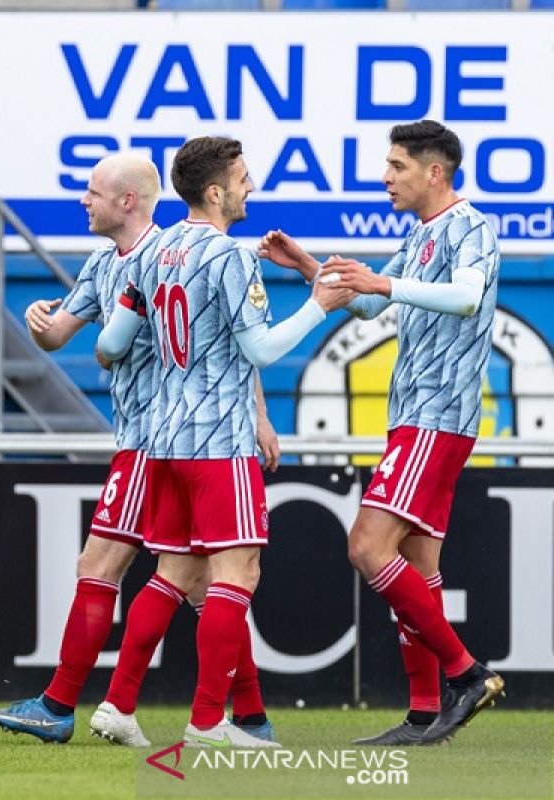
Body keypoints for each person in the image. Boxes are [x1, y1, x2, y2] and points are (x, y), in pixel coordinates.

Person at [0, 153, 279, 746]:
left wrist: (259, 414)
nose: (83, 201)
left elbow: (222, 346)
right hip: (162, 438)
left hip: (155, 439)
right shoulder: (103, 263)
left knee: (116, 568)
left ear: (128, 201)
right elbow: (64, 335)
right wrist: (44, 326)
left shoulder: (170, 254)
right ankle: (245, 716)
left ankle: (62, 702)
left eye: (92, 192)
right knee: (199, 580)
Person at [96, 136, 352, 749]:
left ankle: (118, 705)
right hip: (218, 440)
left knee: (172, 574)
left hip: (161, 440)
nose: (250, 186)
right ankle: (209, 720)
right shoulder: (231, 257)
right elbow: (261, 349)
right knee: (238, 573)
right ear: (215, 191)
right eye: (242, 177)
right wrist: (319, 305)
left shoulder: (152, 252)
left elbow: (111, 344)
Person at [258, 119, 504, 746]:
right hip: (416, 415)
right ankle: (425, 716)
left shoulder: (470, 225)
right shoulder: (421, 231)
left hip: (436, 413)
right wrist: (309, 266)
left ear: (434, 172)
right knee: (415, 564)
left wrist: (383, 282)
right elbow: (368, 304)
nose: (385, 176)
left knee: (367, 547)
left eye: (396, 165)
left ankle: (466, 673)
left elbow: (469, 298)